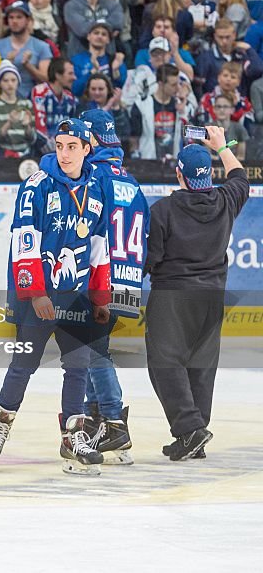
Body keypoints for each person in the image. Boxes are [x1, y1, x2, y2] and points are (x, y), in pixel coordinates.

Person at [0, 118, 112, 475]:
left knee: (78, 367)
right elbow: (25, 239)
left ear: (88, 150)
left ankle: (73, 436)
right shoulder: (36, 185)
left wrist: (101, 297)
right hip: (41, 294)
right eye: (60, 146)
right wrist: (36, 293)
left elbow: (100, 247)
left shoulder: (99, 188)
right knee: (25, 362)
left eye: (73, 147)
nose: (65, 153)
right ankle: (2, 421)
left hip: (78, 297)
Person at [145, 127, 249, 460]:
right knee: (201, 364)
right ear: (210, 174)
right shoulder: (225, 201)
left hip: (172, 297)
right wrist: (221, 145)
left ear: (179, 174)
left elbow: (152, 259)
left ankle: (190, 429)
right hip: (212, 296)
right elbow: (240, 178)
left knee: (165, 362)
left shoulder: (162, 211)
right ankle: (196, 433)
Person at [80, 109, 150, 465]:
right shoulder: (133, 183)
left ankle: (112, 421)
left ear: (91, 139)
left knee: (92, 350)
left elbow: (88, 228)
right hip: (129, 280)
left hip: (102, 279)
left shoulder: (94, 177)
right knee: (93, 345)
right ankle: (97, 421)